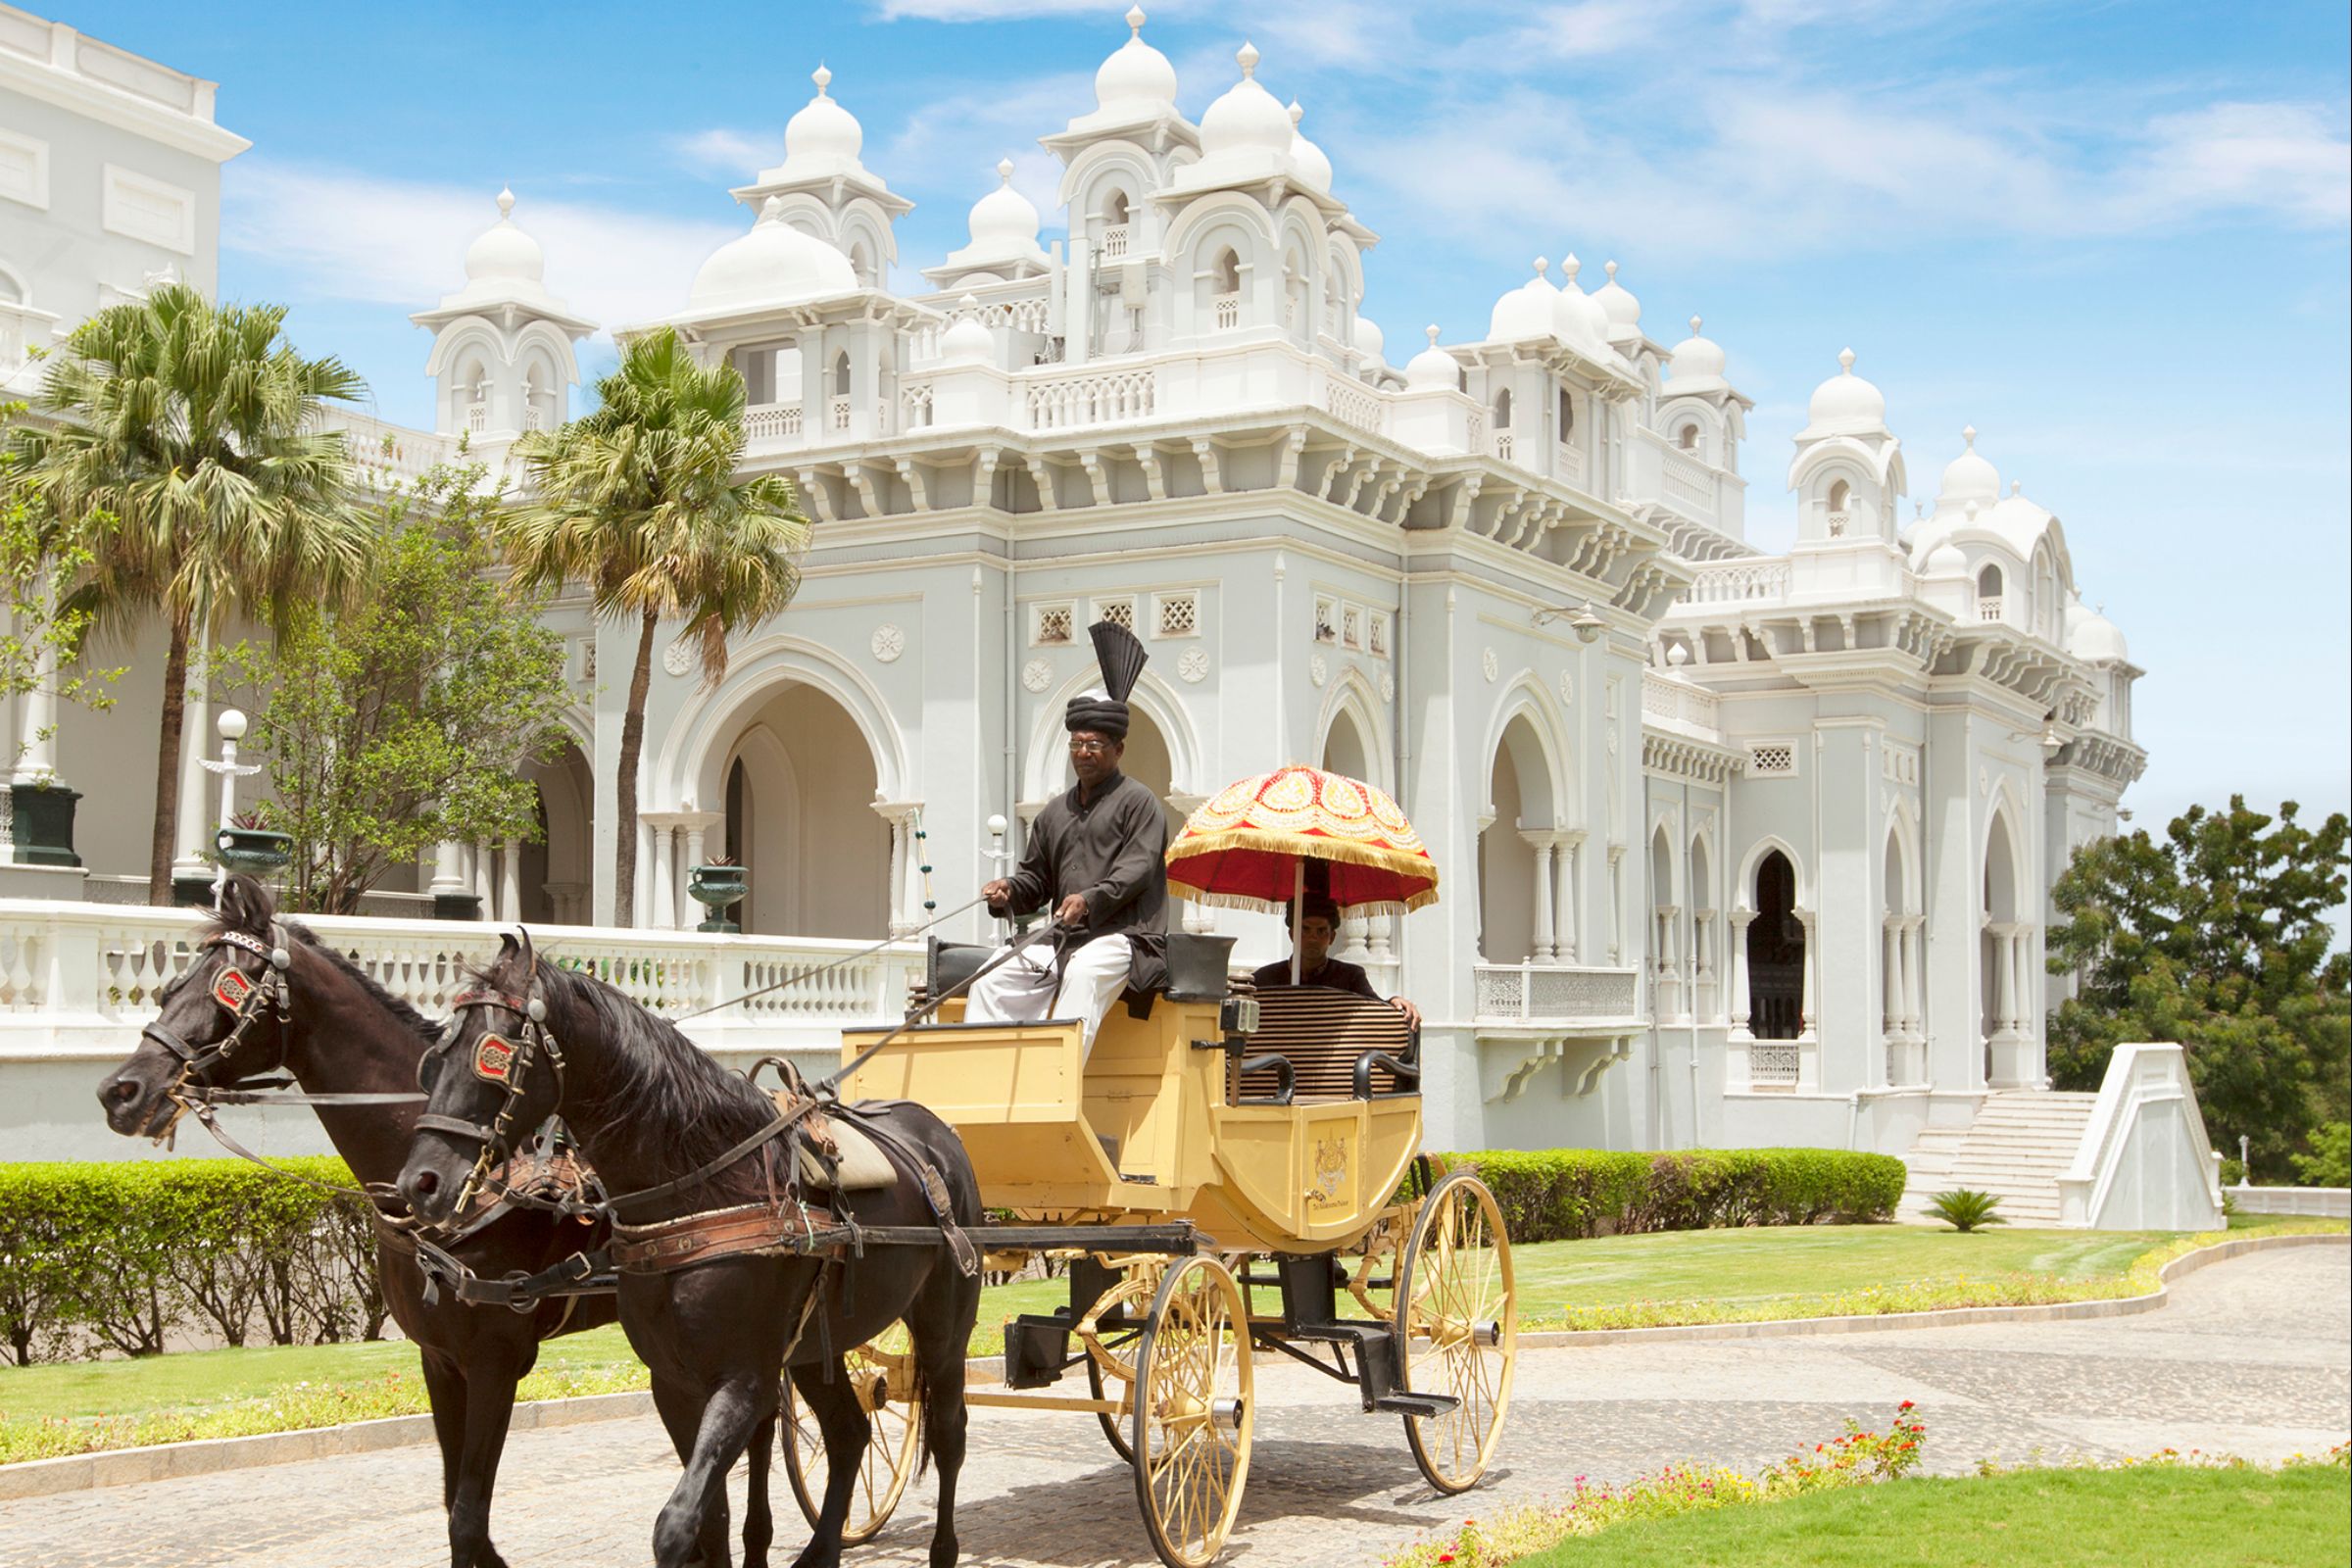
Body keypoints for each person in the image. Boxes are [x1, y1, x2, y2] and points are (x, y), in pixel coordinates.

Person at [969, 621, 1166, 1053]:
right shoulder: (1054, 812)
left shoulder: (1140, 802)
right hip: (1063, 938)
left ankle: (1057, 1089)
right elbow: (1035, 881)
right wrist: (1007, 891)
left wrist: (1089, 899)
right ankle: (983, 1083)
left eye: (1095, 745)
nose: (1083, 753)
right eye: (1077, 744)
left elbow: (1137, 869)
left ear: (1118, 750)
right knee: (991, 977)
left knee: (1083, 972)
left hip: (1125, 939)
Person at [1250, 893, 1423, 1028]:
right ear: (1291, 934)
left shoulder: (1350, 977)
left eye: (1321, 931)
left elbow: (1375, 1008)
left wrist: (1394, 1002)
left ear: (1331, 937)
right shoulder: (1265, 979)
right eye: (1305, 929)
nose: (1312, 938)